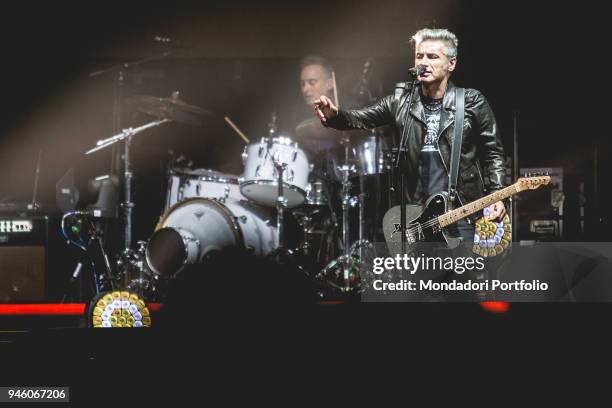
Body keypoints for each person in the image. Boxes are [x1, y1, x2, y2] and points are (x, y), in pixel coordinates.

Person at [314, 28, 506, 241]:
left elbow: (493, 153)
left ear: (451, 64)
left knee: (464, 274)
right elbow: (360, 118)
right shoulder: (401, 100)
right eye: (419, 56)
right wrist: (334, 116)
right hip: (418, 215)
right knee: (422, 274)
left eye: (432, 57)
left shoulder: (470, 101)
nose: (423, 62)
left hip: (462, 213)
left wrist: (497, 196)